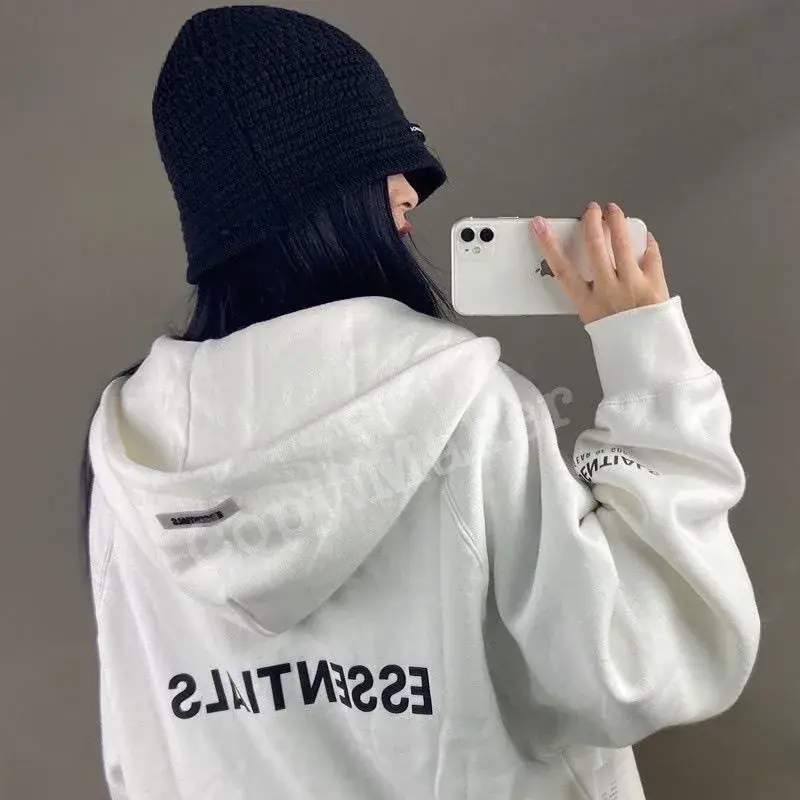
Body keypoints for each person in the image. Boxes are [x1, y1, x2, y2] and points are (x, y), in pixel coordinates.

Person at [80, 6, 760, 799]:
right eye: (385, 165)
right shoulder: (467, 408)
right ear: (325, 187)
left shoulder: (127, 456)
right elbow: (643, 663)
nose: (410, 190)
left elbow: (138, 752)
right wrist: (648, 365)